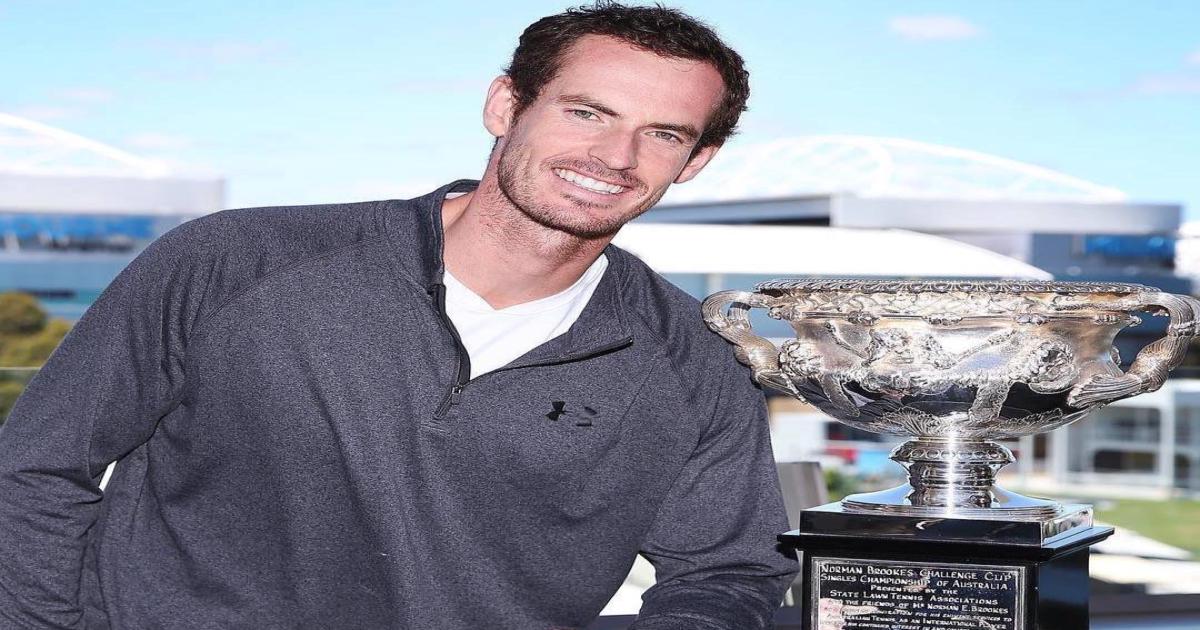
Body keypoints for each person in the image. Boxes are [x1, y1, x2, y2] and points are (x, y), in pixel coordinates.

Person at [0, 2, 797, 628]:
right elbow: (35, 471)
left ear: (695, 161)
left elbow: (727, 572)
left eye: (662, 134)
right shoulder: (235, 261)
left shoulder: (693, 357)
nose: (615, 158)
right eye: (586, 113)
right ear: (506, 104)